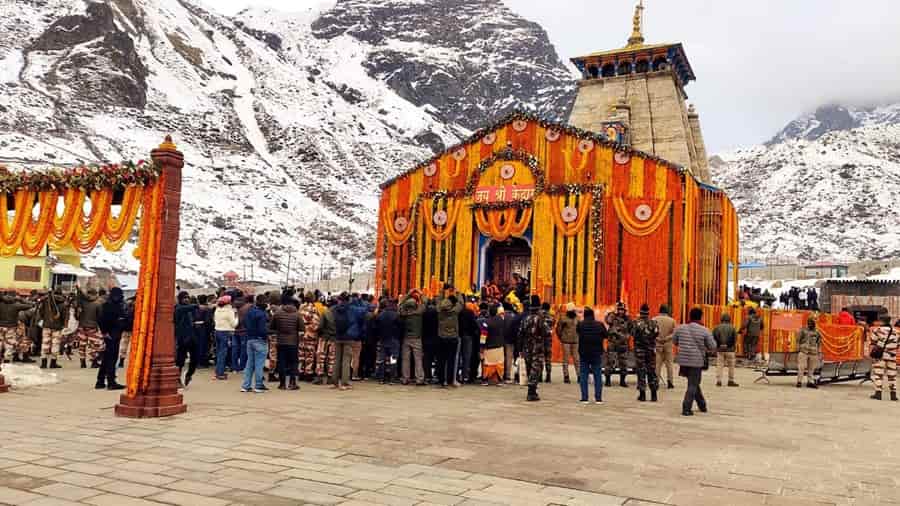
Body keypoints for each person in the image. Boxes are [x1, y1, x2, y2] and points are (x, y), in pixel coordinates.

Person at [674, 307, 716, 416]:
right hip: (696, 361)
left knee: (694, 383)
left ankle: (702, 405)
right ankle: (686, 408)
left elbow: (675, 341)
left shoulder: (680, 328)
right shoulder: (705, 330)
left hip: (683, 360)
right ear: (700, 317)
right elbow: (712, 346)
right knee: (693, 384)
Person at [517, 295, 552, 401]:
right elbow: (547, 333)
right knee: (536, 368)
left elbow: (520, 334)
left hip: (527, 347)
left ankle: (531, 389)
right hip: (538, 347)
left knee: (529, 367)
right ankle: (531, 391)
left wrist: (520, 348)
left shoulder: (526, 318)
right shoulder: (541, 319)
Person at [269, 294, 304, 390]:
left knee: (281, 362)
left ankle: (282, 384)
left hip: (281, 341)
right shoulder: (297, 314)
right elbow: (302, 328)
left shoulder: (278, 313)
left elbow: (272, 327)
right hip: (293, 342)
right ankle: (292, 383)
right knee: (293, 362)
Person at [96, 287, 128, 390]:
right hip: (112, 334)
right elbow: (102, 320)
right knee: (111, 358)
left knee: (106, 358)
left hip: (112, 333)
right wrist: (105, 332)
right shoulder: (112, 306)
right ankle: (111, 382)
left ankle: (100, 381)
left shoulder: (109, 305)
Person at [240, 294, 270, 393]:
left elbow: (243, 323)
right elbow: (262, 329)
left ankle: (245, 385)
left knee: (250, 363)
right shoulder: (262, 314)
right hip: (260, 340)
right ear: (264, 303)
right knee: (259, 364)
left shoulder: (250, 312)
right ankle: (258, 385)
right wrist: (267, 335)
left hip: (250, 339)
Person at [576, 307, 606, 404]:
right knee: (597, 375)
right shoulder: (600, 325)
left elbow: (578, 332)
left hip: (584, 353)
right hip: (596, 353)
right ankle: (598, 398)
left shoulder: (580, 325)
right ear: (593, 315)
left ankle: (584, 398)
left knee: (584, 375)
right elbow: (606, 335)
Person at [631, 304, 659, 402]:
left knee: (641, 371)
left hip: (640, 351)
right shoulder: (654, 323)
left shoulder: (636, 322)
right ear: (648, 312)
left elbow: (632, 333)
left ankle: (642, 394)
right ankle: (654, 394)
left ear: (640, 311)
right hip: (650, 350)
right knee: (651, 371)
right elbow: (656, 334)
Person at [398, 292, 425, 385]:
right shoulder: (418, 312)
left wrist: (408, 295)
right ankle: (419, 379)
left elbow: (400, 304)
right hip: (417, 338)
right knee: (418, 359)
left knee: (405, 359)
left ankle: (405, 378)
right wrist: (420, 295)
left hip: (406, 338)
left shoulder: (404, 313)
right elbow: (425, 303)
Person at [436, 294, 463, 387]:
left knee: (441, 360)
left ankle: (441, 380)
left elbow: (438, 300)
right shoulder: (455, 311)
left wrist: (442, 292)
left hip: (442, 338)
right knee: (451, 360)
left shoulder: (439, 311)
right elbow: (461, 303)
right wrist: (458, 293)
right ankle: (450, 379)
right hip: (453, 338)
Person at [329, 293, 355, 390]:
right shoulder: (351, 309)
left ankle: (334, 382)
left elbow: (332, 320)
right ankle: (344, 383)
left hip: (337, 336)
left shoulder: (334, 309)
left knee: (336, 359)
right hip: (348, 337)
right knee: (346, 360)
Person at [869, 316, 897, 401]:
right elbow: (898, 344)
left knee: (878, 374)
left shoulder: (877, 330)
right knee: (892, 376)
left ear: (881, 321)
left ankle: (878, 393)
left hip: (880, 356)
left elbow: (873, 342)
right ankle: (893, 395)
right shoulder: (896, 332)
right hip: (892, 356)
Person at [374, 299, 402, 384]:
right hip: (394, 340)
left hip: (383, 340)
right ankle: (392, 378)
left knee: (381, 360)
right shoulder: (396, 315)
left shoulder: (380, 315)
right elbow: (401, 326)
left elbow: (376, 327)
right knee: (393, 359)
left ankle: (381, 378)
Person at [174, 292, 199, 387]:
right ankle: (177, 379)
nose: (187, 299)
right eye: (184, 298)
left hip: (192, 337)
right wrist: (196, 305)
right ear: (180, 299)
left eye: (188, 298)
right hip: (182, 338)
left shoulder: (189, 309)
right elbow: (185, 309)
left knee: (195, 359)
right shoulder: (178, 308)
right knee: (180, 361)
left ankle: (189, 375)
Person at [39, 289, 69, 369]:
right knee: (55, 345)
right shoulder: (63, 304)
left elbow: (41, 312)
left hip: (46, 326)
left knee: (45, 343)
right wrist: (64, 326)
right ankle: (53, 363)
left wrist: (45, 319)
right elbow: (65, 316)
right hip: (57, 327)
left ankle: (43, 363)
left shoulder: (46, 302)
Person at [75, 288, 104, 369]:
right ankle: (94, 362)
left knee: (82, 345)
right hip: (93, 327)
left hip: (82, 326)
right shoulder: (98, 304)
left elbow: (77, 315)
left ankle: (82, 362)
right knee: (94, 345)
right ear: (95, 294)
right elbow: (100, 317)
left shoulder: (82, 303)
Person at [0, 292, 32, 364]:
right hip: (11, 327)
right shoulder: (16, 305)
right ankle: (6, 359)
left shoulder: (1, 304)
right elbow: (30, 305)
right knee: (9, 344)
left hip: (0, 326)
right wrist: (21, 300)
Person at [605, 302, 631, 387]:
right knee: (610, 362)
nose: (621, 311)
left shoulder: (627, 319)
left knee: (623, 363)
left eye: (622, 310)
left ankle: (622, 381)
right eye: (619, 310)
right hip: (612, 343)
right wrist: (612, 313)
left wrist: (627, 337)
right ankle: (608, 380)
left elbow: (631, 329)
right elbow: (608, 320)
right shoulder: (612, 316)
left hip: (623, 344)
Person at [213, 295, 238, 380]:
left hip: (217, 331)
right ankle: (220, 373)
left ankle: (218, 371)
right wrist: (237, 317)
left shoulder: (217, 310)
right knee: (223, 353)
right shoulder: (229, 311)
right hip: (225, 332)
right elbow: (234, 324)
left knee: (219, 352)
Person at [314, 298, 338, 385]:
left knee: (321, 358)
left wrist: (319, 333)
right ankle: (330, 377)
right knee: (331, 358)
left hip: (324, 338)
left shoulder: (325, 312)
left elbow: (320, 326)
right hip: (334, 339)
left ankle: (319, 377)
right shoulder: (338, 313)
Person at [298, 294, 321, 381]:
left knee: (301, 354)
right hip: (310, 334)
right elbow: (316, 323)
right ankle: (308, 373)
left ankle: (300, 372)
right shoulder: (314, 309)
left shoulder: (300, 308)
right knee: (309, 354)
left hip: (301, 333)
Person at [481, 304, 506, 385]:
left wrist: (481, 347)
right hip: (499, 346)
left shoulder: (486, 322)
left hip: (489, 347)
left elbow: (483, 336)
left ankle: (485, 380)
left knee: (488, 364)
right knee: (499, 364)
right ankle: (500, 379)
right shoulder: (501, 321)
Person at [653, 304, 676, 389]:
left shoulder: (654, 319)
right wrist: (667, 338)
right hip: (668, 344)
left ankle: (656, 381)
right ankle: (670, 382)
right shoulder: (672, 320)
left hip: (657, 344)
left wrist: (658, 338)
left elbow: (651, 332)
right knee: (669, 364)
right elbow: (674, 333)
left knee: (657, 364)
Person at [712, 313, 738, 387]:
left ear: (721, 319)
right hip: (730, 350)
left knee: (719, 365)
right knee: (731, 366)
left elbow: (713, 338)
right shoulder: (732, 327)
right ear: (729, 319)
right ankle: (731, 380)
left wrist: (719, 344)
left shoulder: (716, 327)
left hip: (720, 349)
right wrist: (728, 345)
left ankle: (719, 380)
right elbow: (735, 339)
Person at [556, 303, 579, 384]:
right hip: (566, 341)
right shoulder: (563, 318)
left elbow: (579, 328)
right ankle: (566, 376)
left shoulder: (577, 318)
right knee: (566, 359)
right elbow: (558, 329)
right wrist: (561, 337)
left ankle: (579, 375)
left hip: (575, 341)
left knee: (577, 359)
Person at [796, 316, 821, 389]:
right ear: (808, 322)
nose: (811, 324)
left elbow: (819, 342)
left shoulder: (817, 331)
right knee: (801, 367)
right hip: (803, 351)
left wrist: (818, 351)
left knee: (811, 369)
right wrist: (798, 349)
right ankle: (799, 381)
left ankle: (810, 382)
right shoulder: (803, 330)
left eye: (813, 323)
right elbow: (798, 340)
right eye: (810, 322)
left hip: (813, 352)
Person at [458, 300, 479, 384]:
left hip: (459, 336)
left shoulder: (459, 312)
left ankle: (456, 376)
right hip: (468, 337)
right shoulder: (470, 313)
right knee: (467, 357)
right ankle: (465, 376)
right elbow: (474, 325)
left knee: (458, 357)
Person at [232, 293, 251, 372]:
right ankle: (242, 366)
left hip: (234, 330)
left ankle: (234, 366)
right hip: (244, 330)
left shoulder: (232, 306)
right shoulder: (247, 307)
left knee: (235, 349)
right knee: (244, 349)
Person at [540, 302, 555, 383]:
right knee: (548, 358)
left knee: (540, 357)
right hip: (548, 339)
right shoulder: (551, 316)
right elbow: (553, 324)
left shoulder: (539, 316)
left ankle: (540, 375)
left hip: (540, 339)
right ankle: (548, 375)